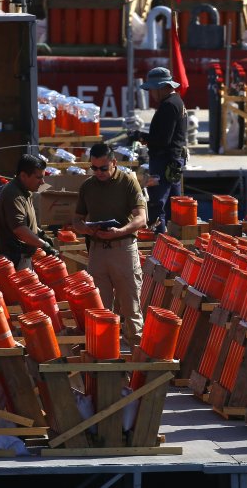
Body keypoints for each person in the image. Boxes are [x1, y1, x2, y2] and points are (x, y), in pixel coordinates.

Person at [72, 143, 147, 347]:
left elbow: (141, 218)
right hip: (98, 251)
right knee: (100, 309)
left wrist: (120, 231)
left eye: (103, 168)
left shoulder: (128, 182)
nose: (99, 172)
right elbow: (77, 220)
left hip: (123, 249)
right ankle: (105, 351)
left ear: (114, 163)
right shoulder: (88, 186)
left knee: (130, 307)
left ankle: (135, 355)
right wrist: (85, 229)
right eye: (94, 168)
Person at [137, 67, 187, 233]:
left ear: (162, 87)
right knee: (175, 203)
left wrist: (144, 137)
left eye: (152, 89)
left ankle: (160, 240)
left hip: (163, 162)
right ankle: (174, 238)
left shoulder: (168, 106)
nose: (151, 93)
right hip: (174, 160)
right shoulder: (177, 102)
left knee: (157, 203)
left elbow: (162, 140)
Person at [0, 154, 58, 270]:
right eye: (38, 177)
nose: (42, 182)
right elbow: (20, 230)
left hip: (18, 258)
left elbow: (24, 222)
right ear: (23, 175)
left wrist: (41, 234)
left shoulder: (25, 191)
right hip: (11, 260)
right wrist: (44, 245)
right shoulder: (14, 195)